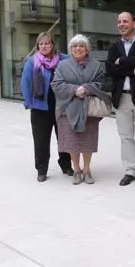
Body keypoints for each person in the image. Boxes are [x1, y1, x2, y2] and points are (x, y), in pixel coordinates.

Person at [51, 34, 112, 185]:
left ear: (87, 49)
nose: (78, 48)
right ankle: (76, 170)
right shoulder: (62, 65)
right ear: (71, 50)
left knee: (87, 141)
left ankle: (87, 170)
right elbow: (56, 84)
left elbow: (101, 84)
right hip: (68, 108)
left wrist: (86, 88)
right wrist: (74, 90)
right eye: (75, 46)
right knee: (72, 141)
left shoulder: (96, 65)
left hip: (88, 108)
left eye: (81, 46)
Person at [105, 12, 135, 187]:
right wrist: (133, 68)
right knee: (126, 137)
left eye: (125, 21)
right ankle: (129, 171)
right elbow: (110, 70)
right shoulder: (113, 47)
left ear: (134, 24)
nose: (122, 24)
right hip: (122, 97)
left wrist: (123, 62)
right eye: (119, 21)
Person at [21, 32, 73, 182]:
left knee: (64, 138)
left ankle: (66, 165)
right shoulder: (32, 61)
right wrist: (29, 102)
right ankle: (41, 169)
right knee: (41, 140)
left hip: (61, 106)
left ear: (53, 44)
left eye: (47, 43)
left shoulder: (64, 59)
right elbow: (25, 83)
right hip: (40, 108)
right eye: (41, 44)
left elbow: (76, 67)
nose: (44, 46)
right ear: (38, 46)